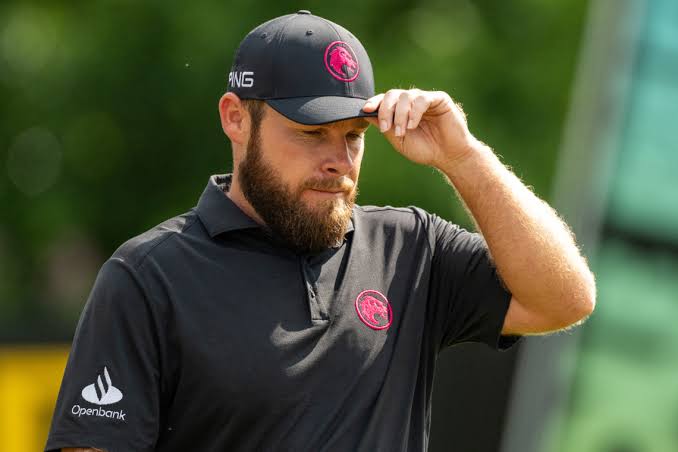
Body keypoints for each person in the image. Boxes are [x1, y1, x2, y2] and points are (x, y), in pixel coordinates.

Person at [45, 10, 595, 452]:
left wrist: (464, 156)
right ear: (236, 117)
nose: (340, 160)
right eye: (311, 132)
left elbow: (565, 298)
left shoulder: (411, 249)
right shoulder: (148, 277)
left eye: (354, 135)